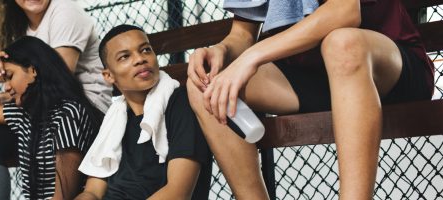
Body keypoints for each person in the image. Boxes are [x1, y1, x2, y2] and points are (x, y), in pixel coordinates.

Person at [186, 0, 435, 199]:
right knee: (205, 83)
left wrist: (251, 57)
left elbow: (344, 11)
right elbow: (242, 35)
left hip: (385, 66)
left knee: (342, 43)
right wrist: (221, 49)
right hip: (315, 77)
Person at [0, 0, 111, 198]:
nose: (6, 86)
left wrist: (10, 96)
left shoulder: (68, 116)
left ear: (34, 71)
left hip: (85, 108)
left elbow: (58, 76)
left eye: (9, 77)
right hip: (40, 108)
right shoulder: (23, 113)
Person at [75, 25, 212, 200]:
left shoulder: (181, 103)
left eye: (146, 50)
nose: (140, 59)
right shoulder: (115, 121)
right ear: (109, 76)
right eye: (125, 56)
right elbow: (92, 192)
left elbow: (178, 193)